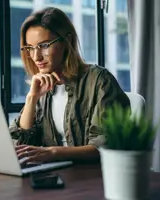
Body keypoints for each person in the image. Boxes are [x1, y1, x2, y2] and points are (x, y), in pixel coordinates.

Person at [9, 7, 130, 164]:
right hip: (56, 174)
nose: (36, 56)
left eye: (44, 45)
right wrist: (32, 98)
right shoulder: (43, 86)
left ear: (67, 41)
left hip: (93, 176)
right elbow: (20, 145)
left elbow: (105, 146)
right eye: (30, 48)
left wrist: (53, 152)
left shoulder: (99, 80)